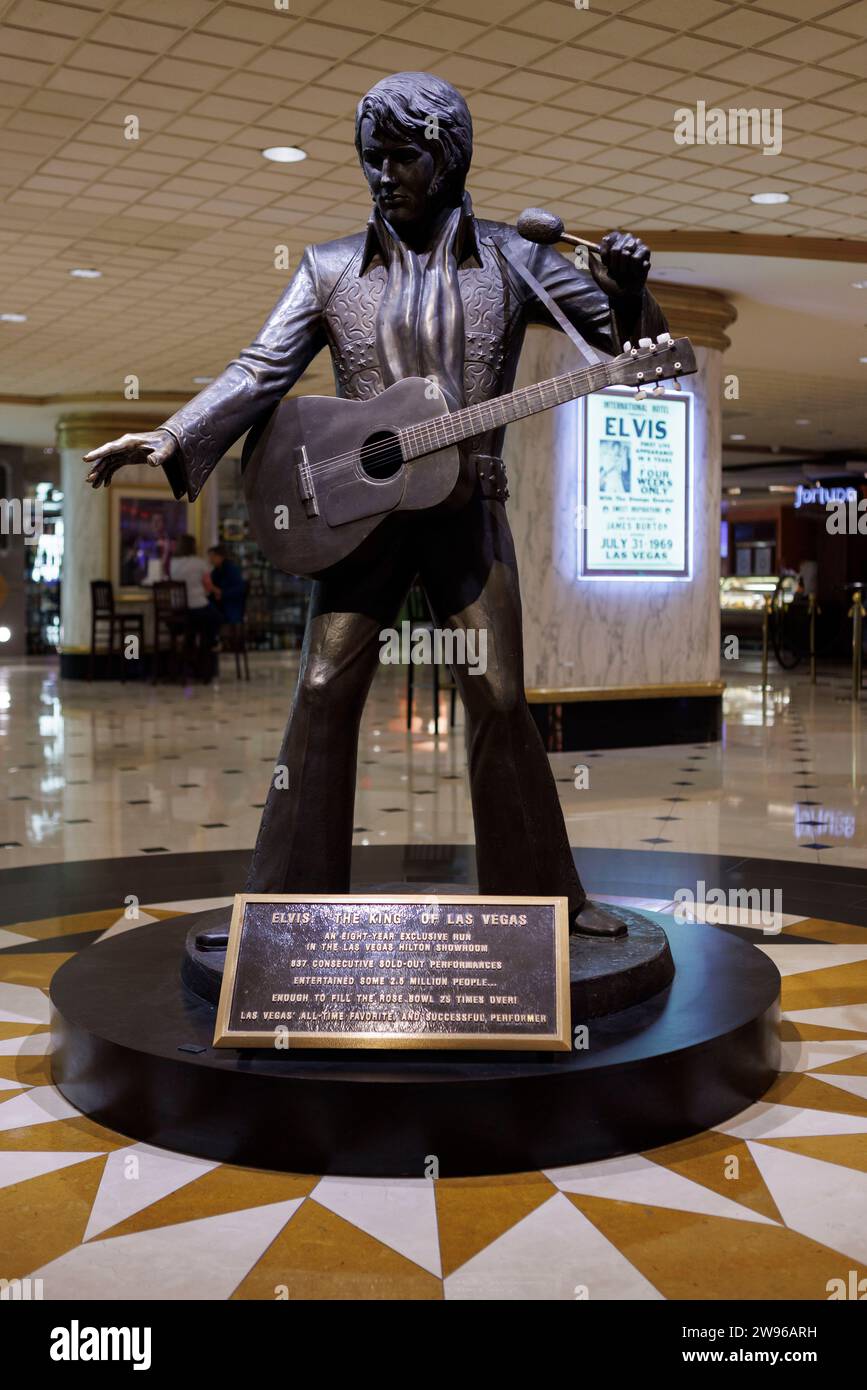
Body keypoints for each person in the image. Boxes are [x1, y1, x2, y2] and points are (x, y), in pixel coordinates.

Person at [84, 71, 667, 937]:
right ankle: (283, 906)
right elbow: (259, 369)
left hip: (467, 509)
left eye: (401, 156)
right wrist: (171, 437)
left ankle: (542, 904)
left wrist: (622, 287)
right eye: (371, 159)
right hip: (358, 517)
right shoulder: (327, 270)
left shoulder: (516, 258)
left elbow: (634, 343)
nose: (382, 175)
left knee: (500, 696)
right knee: (321, 688)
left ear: (448, 156)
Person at [169, 534, 220, 679]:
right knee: (215, 619)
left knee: (191, 632)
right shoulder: (199, 563)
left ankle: (188, 661)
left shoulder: (173, 563)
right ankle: (208, 651)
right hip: (198, 609)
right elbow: (208, 586)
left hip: (178, 612)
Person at [207, 544, 246, 627]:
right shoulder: (216, 571)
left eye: (212, 556)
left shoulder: (231, 569)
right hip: (222, 603)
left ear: (220, 556)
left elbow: (240, 589)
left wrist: (222, 593)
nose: (210, 559)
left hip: (231, 605)